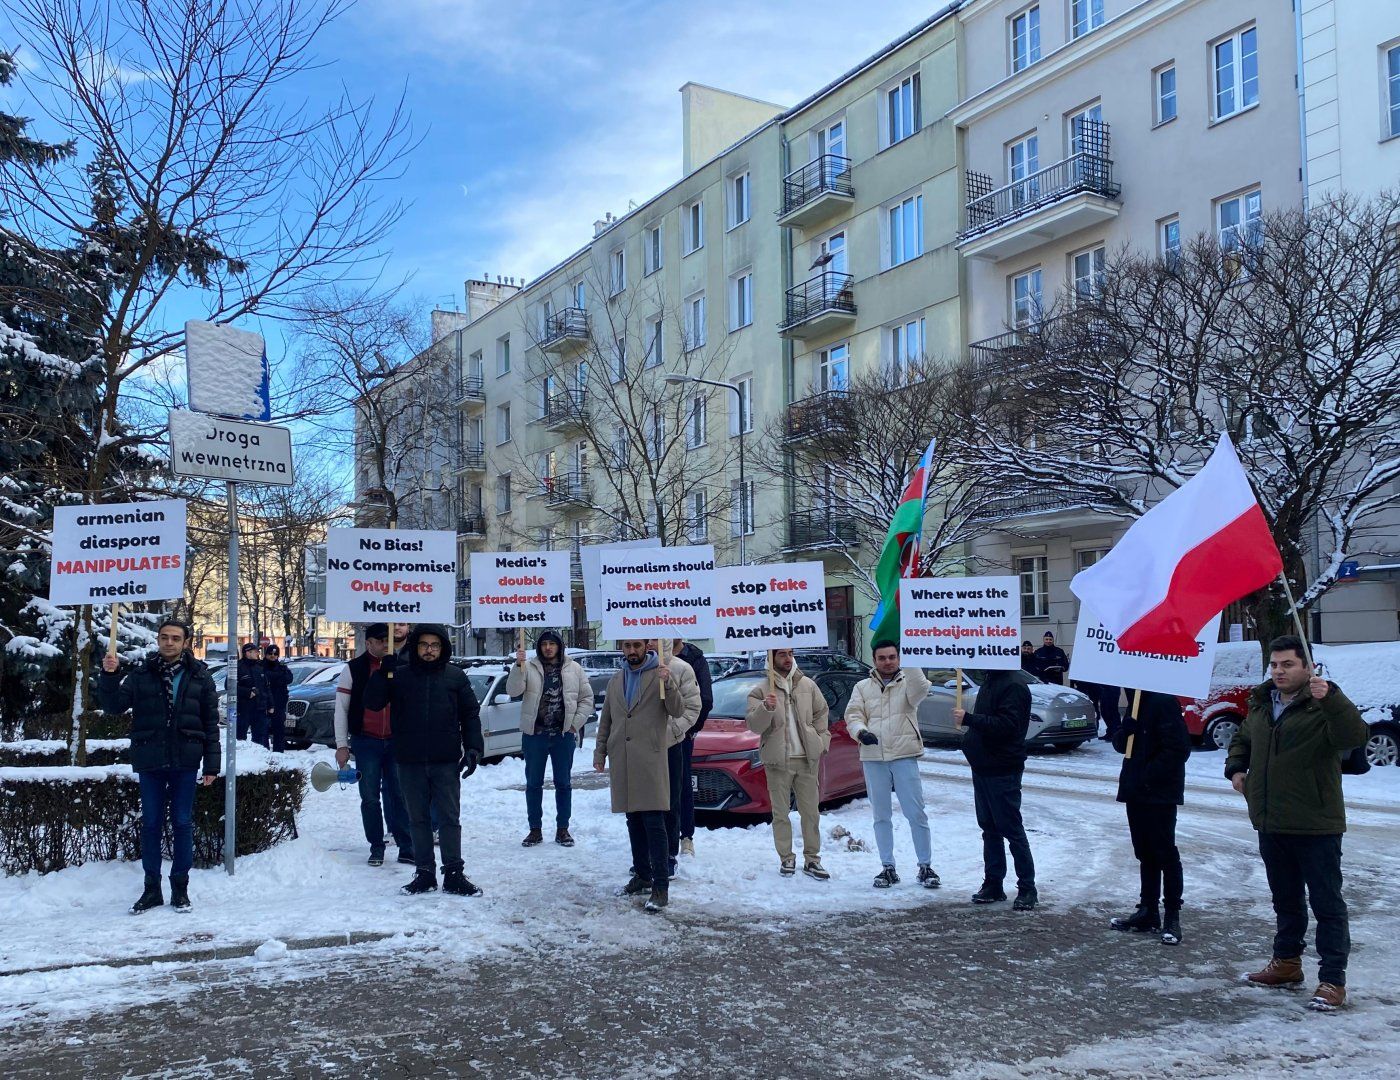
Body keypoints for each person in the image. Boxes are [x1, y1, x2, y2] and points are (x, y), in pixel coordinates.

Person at [1226, 635, 1368, 1012]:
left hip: (1315, 823)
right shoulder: (1261, 704)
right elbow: (1242, 740)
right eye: (1274, 665)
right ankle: (1287, 963)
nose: (1279, 671)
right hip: (1271, 821)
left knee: (1327, 904)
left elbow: (1354, 737)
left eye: (1287, 664)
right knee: (1285, 900)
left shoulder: (1322, 704)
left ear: (1307, 667)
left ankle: (1332, 980)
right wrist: (1237, 769)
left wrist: (1332, 698)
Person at [98, 619, 220, 914]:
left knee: (182, 823)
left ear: (185, 642)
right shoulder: (142, 674)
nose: (169, 642)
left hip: (185, 760)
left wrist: (212, 764)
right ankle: (151, 889)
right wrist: (109, 675)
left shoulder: (200, 676)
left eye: (175, 638)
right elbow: (114, 706)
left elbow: (211, 723)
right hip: (150, 758)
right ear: (158, 640)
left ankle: (180, 888)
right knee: (151, 824)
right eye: (164, 637)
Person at [364, 624, 484, 897]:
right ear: (415, 646)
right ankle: (424, 873)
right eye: (423, 645)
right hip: (410, 760)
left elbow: (470, 714)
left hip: (445, 760)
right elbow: (372, 702)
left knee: (449, 818)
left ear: (443, 648)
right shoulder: (400, 675)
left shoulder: (455, 676)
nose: (429, 650)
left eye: (435, 645)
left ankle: (454, 872)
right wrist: (384, 672)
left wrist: (474, 747)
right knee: (416, 818)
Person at [594, 639, 695, 913]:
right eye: (627, 646)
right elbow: (608, 719)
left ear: (645, 648)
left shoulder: (660, 675)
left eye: (636, 645)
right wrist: (600, 750)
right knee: (633, 819)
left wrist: (669, 682)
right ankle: (642, 875)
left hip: (650, 759)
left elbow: (678, 710)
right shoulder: (617, 679)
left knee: (654, 821)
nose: (631, 651)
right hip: (623, 759)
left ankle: (661, 886)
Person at [845, 640, 939, 890]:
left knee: (916, 813)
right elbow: (853, 715)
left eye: (892, 657)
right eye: (882, 658)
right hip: (874, 757)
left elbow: (921, 688)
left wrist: (911, 651)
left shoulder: (909, 684)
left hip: (904, 755)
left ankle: (925, 866)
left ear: (899, 658)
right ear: (874, 660)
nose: (888, 662)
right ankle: (888, 867)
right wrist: (860, 731)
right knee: (881, 815)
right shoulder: (862, 687)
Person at [952, 667, 1038, 910]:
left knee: (1010, 828)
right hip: (984, 765)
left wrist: (969, 719)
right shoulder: (992, 679)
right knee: (989, 828)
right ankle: (993, 882)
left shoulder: (1013, 685)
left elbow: (1008, 725)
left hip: (1003, 767)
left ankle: (1027, 888)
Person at [1109, 690, 1190, 945]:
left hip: (1159, 793)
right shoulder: (1136, 702)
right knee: (1144, 852)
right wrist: (1126, 729)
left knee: (1164, 852)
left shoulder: (1163, 701)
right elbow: (1122, 746)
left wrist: (1148, 776)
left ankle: (1172, 916)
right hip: (1135, 791)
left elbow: (1178, 749)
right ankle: (1148, 910)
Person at [745, 649, 830, 879]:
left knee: (811, 813)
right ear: (771, 659)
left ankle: (812, 860)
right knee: (780, 813)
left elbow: (822, 712)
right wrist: (766, 708)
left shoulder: (808, 685)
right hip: (778, 761)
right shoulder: (761, 690)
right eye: (781, 654)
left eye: (790, 653)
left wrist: (821, 741)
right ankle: (786, 858)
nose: (787, 658)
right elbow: (754, 725)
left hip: (806, 759)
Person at [334, 624, 414, 867]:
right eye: (381, 641)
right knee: (369, 796)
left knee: (400, 794)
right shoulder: (354, 668)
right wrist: (341, 744)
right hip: (366, 740)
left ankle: (406, 845)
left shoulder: (402, 666)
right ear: (369, 643)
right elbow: (341, 709)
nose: (386, 645)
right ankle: (376, 846)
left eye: (388, 640)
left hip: (396, 740)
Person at [507, 630, 594, 848]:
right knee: (533, 784)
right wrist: (518, 667)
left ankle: (562, 829)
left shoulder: (574, 669)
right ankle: (534, 829)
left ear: (559, 646)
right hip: (535, 735)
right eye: (544, 644)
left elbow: (587, 698)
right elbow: (513, 690)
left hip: (562, 736)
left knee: (563, 783)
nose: (548, 647)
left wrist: (575, 724)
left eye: (552, 644)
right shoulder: (529, 667)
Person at [671, 637, 713, 859]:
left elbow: (705, 699)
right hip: (654, 733)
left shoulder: (695, 659)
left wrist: (691, 728)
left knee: (682, 783)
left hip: (683, 731)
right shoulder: (653, 656)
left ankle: (686, 835)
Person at [235, 641, 271, 743]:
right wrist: (247, 692)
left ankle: (258, 757)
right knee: (240, 738)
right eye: (255, 651)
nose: (258, 654)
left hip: (259, 708)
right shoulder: (238, 667)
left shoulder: (259, 667)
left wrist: (270, 705)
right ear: (248, 653)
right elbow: (229, 686)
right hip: (243, 709)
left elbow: (266, 688)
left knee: (260, 739)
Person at [262, 643, 293, 752]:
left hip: (279, 703)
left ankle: (279, 754)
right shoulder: (261, 666)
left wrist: (274, 678)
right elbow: (265, 678)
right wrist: (277, 678)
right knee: (263, 731)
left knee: (279, 731)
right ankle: (263, 753)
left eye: (275, 654)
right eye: (270, 653)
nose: (273, 656)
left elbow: (289, 678)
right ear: (266, 654)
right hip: (264, 703)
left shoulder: (282, 667)